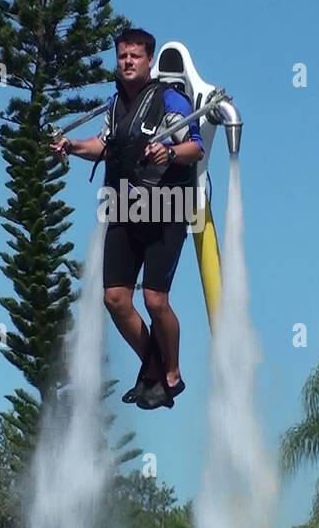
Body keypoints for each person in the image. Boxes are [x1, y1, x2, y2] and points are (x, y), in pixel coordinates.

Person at [50, 28, 204, 410]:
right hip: (123, 207)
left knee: (154, 300)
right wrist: (71, 145)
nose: (128, 62)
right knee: (115, 299)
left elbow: (195, 147)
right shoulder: (114, 105)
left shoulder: (172, 100)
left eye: (135, 56)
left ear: (149, 60)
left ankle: (170, 373)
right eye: (122, 56)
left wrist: (168, 153)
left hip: (167, 206)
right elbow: (103, 145)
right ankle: (154, 366)